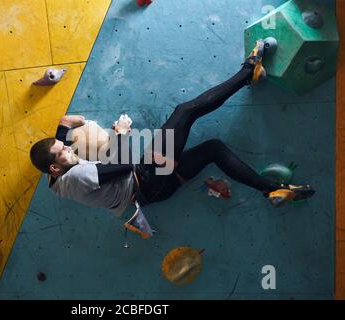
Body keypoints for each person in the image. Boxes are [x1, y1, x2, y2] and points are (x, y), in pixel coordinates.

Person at [30, 40, 315, 218]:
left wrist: (63, 130)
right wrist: (120, 132)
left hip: (152, 194)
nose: (68, 147)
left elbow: (63, 135)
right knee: (185, 112)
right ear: (55, 168)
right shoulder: (78, 174)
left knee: (214, 148)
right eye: (63, 151)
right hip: (147, 178)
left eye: (63, 145)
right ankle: (247, 72)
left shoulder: (56, 183)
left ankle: (272, 190)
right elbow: (124, 164)